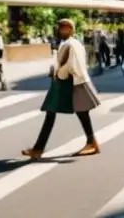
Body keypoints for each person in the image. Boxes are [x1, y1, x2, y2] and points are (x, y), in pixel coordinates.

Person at [22, 19, 101, 160]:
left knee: (66, 113)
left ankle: (38, 149)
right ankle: (91, 142)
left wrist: (58, 74)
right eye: (59, 28)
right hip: (73, 82)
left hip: (70, 83)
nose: (60, 30)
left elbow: (70, 65)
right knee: (75, 113)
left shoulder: (70, 44)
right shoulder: (72, 43)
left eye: (63, 28)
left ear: (70, 29)